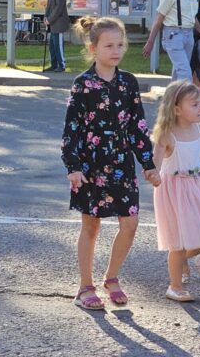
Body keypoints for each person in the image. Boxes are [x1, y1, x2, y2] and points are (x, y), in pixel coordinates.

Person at [61, 17, 161, 310]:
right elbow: (72, 129)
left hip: (121, 164)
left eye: (120, 45)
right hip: (90, 166)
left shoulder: (129, 82)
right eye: (109, 45)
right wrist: (73, 167)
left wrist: (148, 163)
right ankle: (85, 287)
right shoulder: (82, 84)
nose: (116, 51)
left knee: (130, 223)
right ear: (93, 48)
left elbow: (138, 127)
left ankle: (112, 277)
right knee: (90, 227)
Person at [150, 81, 200, 303]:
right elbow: (154, 165)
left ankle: (181, 260)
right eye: (194, 104)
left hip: (197, 186)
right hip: (174, 190)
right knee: (178, 242)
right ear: (176, 109)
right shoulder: (167, 135)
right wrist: (153, 175)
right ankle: (175, 286)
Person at [141, 0, 200, 82]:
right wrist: (150, 41)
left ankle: (172, 94)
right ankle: (185, 94)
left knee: (178, 71)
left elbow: (192, 15)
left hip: (189, 34)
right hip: (173, 34)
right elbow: (159, 17)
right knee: (185, 73)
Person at [43, 0, 71, 72]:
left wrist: (49, 19)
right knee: (52, 46)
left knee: (58, 45)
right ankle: (54, 65)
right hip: (52, 22)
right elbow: (49, 6)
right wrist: (46, 17)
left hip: (58, 22)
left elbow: (58, 7)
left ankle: (61, 65)